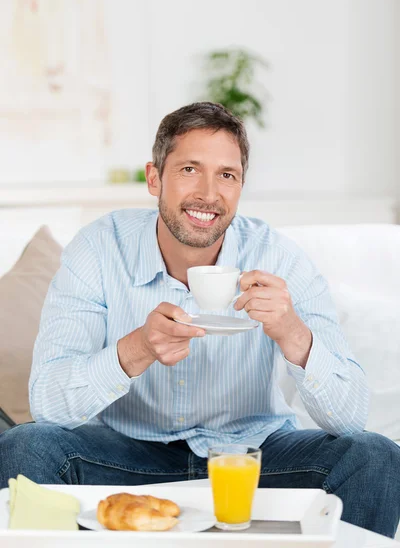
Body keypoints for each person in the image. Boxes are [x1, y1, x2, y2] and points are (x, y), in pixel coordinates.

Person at [0, 102, 399, 538]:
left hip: (252, 455)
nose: (209, 194)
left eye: (226, 175)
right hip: (128, 453)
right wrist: (138, 349)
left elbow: (350, 419)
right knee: (26, 447)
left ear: (241, 185)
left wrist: (293, 334)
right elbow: (48, 404)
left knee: (374, 455)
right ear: (154, 178)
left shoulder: (280, 258)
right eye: (190, 169)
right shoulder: (99, 248)